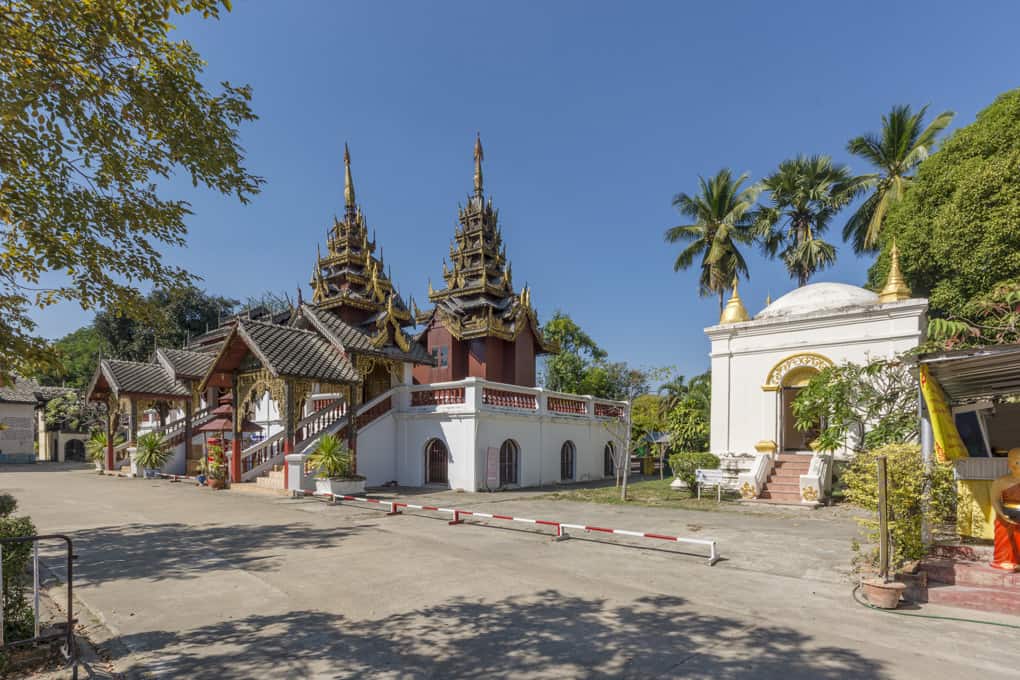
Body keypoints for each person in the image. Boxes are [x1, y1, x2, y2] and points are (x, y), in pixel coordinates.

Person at [989, 448, 1020, 571]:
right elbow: (995, 499)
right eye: (1015, 462)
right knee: (1004, 529)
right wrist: (1002, 514)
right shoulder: (1001, 481)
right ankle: (1005, 559)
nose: (1016, 465)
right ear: (1009, 463)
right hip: (1007, 515)